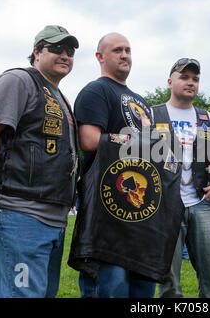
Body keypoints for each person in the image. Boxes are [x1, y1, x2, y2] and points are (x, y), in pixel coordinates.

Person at [0, 25, 79, 298]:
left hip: (53, 220)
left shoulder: (58, 95)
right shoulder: (18, 80)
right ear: (37, 52)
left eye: (70, 51)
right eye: (57, 48)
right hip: (20, 214)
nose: (65, 55)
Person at [69, 33, 183, 298]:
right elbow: (89, 140)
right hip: (106, 212)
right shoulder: (95, 90)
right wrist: (139, 142)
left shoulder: (141, 101)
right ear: (100, 56)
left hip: (141, 212)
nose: (124, 55)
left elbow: (153, 151)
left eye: (128, 50)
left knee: (142, 288)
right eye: (117, 50)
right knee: (111, 285)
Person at [155, 58, 210, 298]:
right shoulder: (153, 115)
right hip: (165, 205)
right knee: (168, 277)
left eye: (195, 78)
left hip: (200, 202)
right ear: (170, 81)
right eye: (184, 77)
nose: (190, 82)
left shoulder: (207, 118)